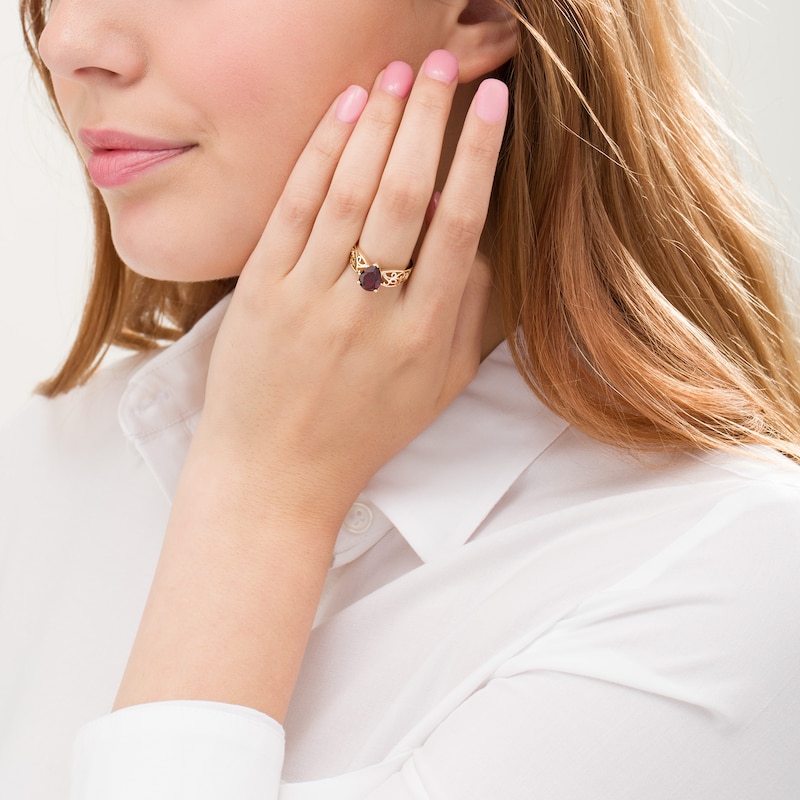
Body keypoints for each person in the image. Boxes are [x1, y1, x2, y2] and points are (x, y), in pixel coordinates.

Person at [2, 0, 800, 797]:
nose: (65, 43)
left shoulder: (720, 578)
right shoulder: (39, 467)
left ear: (482, 10)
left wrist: (259, 497)